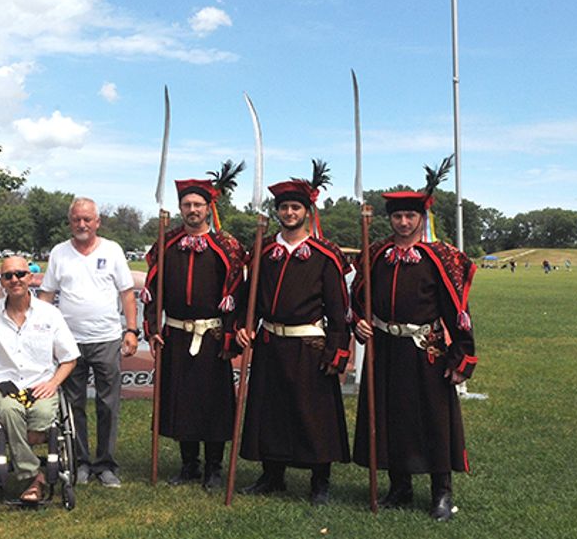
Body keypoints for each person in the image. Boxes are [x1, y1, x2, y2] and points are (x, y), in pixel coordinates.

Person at [351, 159, 477, 521]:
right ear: (389, 219)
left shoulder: (440, 257)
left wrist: (463, 356)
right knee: (390, 415)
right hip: (386, 349)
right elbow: (357, 298)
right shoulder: (375, 254)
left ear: (421, 218)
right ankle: (399, 486)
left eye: (410, 216)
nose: (403, 223)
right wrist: (360, 321)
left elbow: (459, 310)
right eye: (397, 217)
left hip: (427, 349)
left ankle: (441, 490)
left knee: (433, 419)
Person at [233, 163, 351, 504]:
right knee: (270, 411)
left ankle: (320, 482)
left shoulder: (326, 255)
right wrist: (244, 325)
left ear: (306, 212)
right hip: (270, 343)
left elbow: (338, 309)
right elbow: (247, 298)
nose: (288, 212)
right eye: (283, 208)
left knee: (314, 415)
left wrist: (337, 350)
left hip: (309, 346)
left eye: (295, 207)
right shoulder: (263, 251)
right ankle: (273, 475)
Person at [144, 176, 245, 491]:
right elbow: (151, 291)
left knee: (212, 404)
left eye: (197, 204)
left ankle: (214, 467)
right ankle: (189, 465)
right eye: (187, 204)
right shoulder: (166, 244)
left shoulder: (225, 247)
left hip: (212, 338)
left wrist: (230, 336)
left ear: (208, 207)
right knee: (182, 402)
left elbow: (237, 296)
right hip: (175, 336)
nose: (192, 209)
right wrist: (152, 329)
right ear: (180, 208)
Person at [0, 256, 80, 502]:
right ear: (2, 281)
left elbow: (69, 358)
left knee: (44, 419)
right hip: (3, 386)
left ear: (31, 278)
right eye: (8, 276)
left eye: (20, 274)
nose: (15, 280)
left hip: (40, 385)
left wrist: (53, 383)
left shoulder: (50, 314)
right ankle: (34, 478)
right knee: (10, 413)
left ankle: (22, 453)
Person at [39, 197, 138, 487]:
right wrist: (42, 332)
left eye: (87, 219)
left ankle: (106, 465)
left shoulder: (113, 250)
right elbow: (46, 295)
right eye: (76, 220)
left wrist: (130, 330)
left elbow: (127, 294)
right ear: (70, 222)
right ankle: (80, 462)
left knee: (108, 404)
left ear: (97, 222)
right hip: (69, 342)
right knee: (73, 404)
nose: (81, 225)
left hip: (106, 339)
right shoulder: (59, 253)